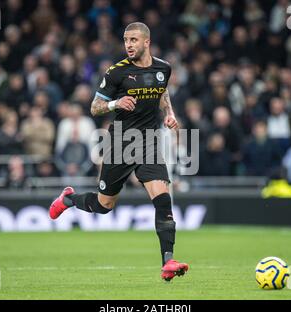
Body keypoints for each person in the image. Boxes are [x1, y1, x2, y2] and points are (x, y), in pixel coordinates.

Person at [48, 22, 188, 281]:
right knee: (104, 205)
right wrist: (115, 103)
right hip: (120, 143)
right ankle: (69, 199)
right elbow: (94, 107)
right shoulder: (116, 72)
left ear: (147, 42)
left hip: (148, 142)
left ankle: (168, 262)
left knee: (163, 199)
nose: (129, 45)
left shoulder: (163, 68)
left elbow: (162, 91)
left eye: (134, 40)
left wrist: (169, 113)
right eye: (126, 40)